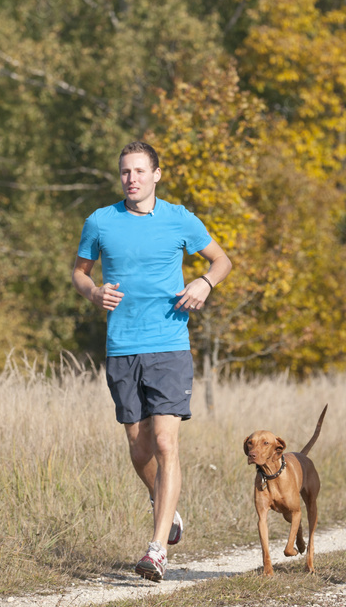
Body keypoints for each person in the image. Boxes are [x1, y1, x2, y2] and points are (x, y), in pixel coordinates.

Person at [72, 141, 232, 582]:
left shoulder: (180, 218)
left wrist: (204, 282)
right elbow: (80, 271)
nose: (132, 179)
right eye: (125, 172)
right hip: (122, 346)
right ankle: (166, 505)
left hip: (169, 344)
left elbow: (222, 260)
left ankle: (157, 548)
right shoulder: (100, 221)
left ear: (157, 174)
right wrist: (93, 292)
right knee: (138, 445)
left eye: (140, 171)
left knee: (165, 442)